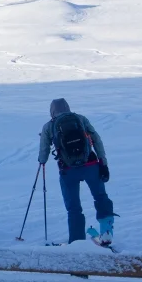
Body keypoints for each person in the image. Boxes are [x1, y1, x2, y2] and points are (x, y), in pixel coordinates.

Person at [38, 98, 114, 244]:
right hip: (91, 165)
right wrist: (103, 163)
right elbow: (96, 139)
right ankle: (106, 231)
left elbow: (44, 151)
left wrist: (42, 161)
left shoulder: (49, 126)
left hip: (68, 170)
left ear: (52, 111)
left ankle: (77, 241)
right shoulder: (80, 119)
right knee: (100, 196)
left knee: (73, 207)